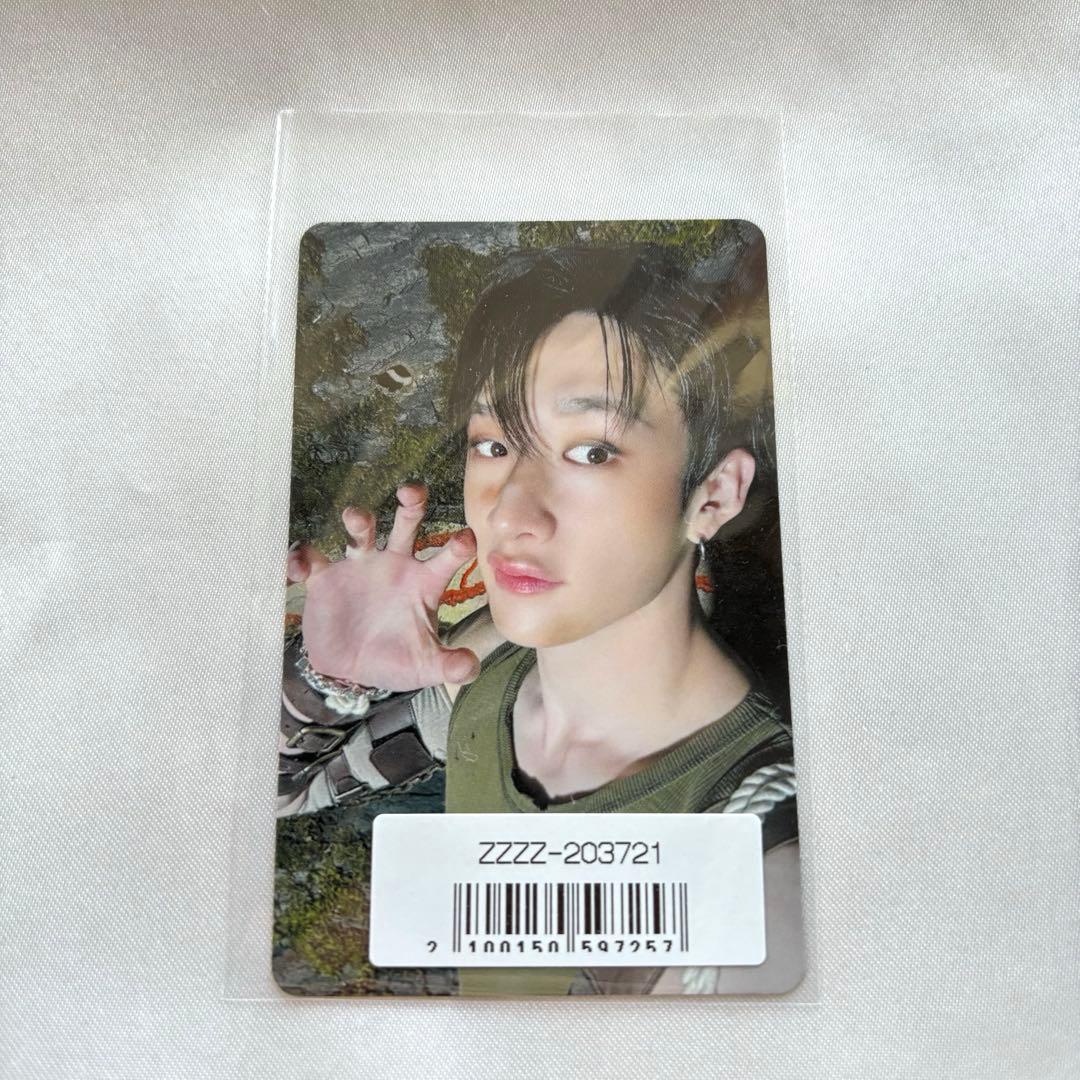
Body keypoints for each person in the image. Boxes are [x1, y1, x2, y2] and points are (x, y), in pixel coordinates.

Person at [284, 241, 801, 995]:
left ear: (714, 495)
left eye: (592, 452)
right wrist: (330, 678)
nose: (510, 512)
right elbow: (281, 795)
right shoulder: (487, 680)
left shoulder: (767, 861)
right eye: (494, 444)